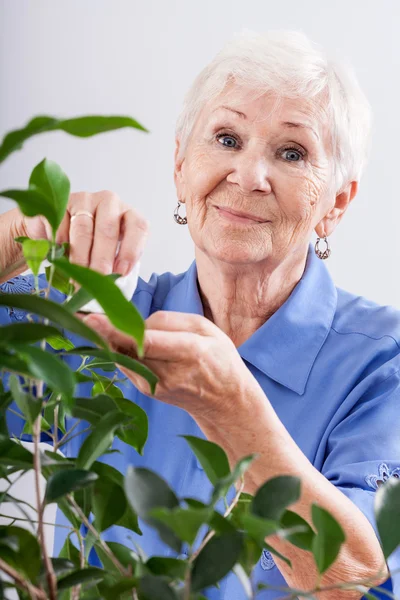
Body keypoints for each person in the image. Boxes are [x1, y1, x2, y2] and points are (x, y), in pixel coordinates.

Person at [1, 30, 399, 600]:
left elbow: (358, 578)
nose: (248, 175)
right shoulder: (101, 315)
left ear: (336, 203)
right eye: (227, 138)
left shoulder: (384, 364)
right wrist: (20, 233)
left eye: (292, 152)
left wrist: (235, 414)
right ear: (181, 164)